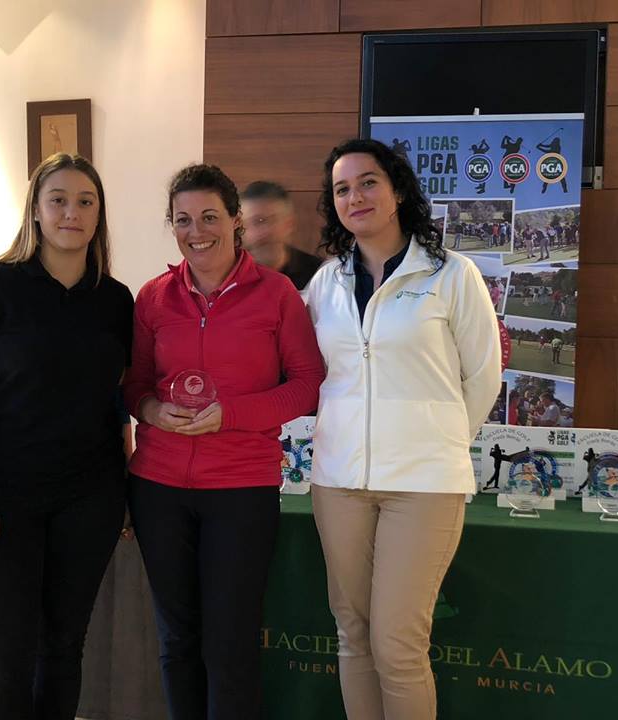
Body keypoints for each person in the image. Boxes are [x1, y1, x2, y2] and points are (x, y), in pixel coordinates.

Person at [304, 138, 501, 720]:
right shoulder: (325, 284)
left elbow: (482, 378)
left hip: (423, 484)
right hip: (339, 480)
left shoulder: (451, 275)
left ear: (397, 192)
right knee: (353, 631)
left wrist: (437, 443)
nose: (355, 196)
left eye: (368, 182)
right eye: (342, 189)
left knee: (397, 643)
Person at [123, 164, 325, 720]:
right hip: (158, 488)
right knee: (177, 639)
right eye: (183, 220)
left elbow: (306, 384)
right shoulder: (154, 297)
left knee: (230, 644)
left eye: (210, 216)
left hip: (241, 489)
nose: (197, 231)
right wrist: (151, 409)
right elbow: (133, 385)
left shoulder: (276, 295)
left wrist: (230, 415)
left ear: (236, 221)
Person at [0, 153, 133, 720]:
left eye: (85, 202)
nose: (71, 212)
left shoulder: (116, 299)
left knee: (64, 647)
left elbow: (118, 401)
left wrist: (125, 487)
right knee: (8, 656)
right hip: (4, 495)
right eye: (58, 200)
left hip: (91, 495)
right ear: (35, 211)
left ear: (98, 215)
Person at [240, 180, 323, 291]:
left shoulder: (320, 275)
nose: (266, 231)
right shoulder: (226, 275)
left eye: (274, 220)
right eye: (257, 221)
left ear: (289, 224)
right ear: (241, 228)